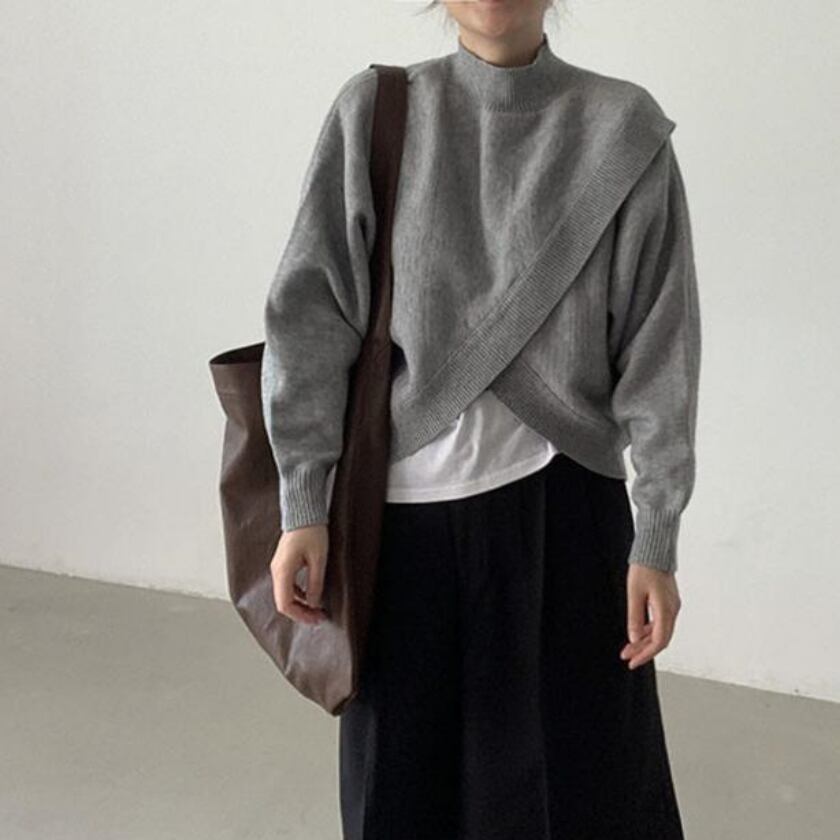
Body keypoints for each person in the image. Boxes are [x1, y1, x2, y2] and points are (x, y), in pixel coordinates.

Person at [261, 1, 701, 837]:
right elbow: (310, 317)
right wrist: (303, 502)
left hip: (568, 519)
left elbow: (661, 349)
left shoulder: (623, 129)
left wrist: (656, 537)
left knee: (580, 799)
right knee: (400, 798)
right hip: (400, 524)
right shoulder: (378, 112)